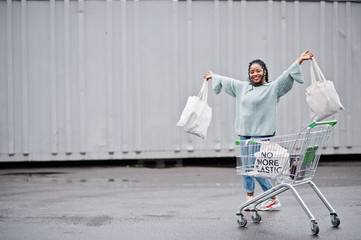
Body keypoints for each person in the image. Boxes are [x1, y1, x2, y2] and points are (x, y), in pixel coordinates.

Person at [203, 50, 314, 211]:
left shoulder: (272, 88)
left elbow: (286, 75)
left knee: (257, 167)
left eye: (258, 71)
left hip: (261, 134)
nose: (255, 74)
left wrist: (299, 61)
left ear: (264, 72)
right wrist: (214, 76)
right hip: (244, 132)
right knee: (246, 167)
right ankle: (250, 198)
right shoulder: (242, 88)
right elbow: (228, 81)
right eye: (252, 72)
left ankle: (272, 197)